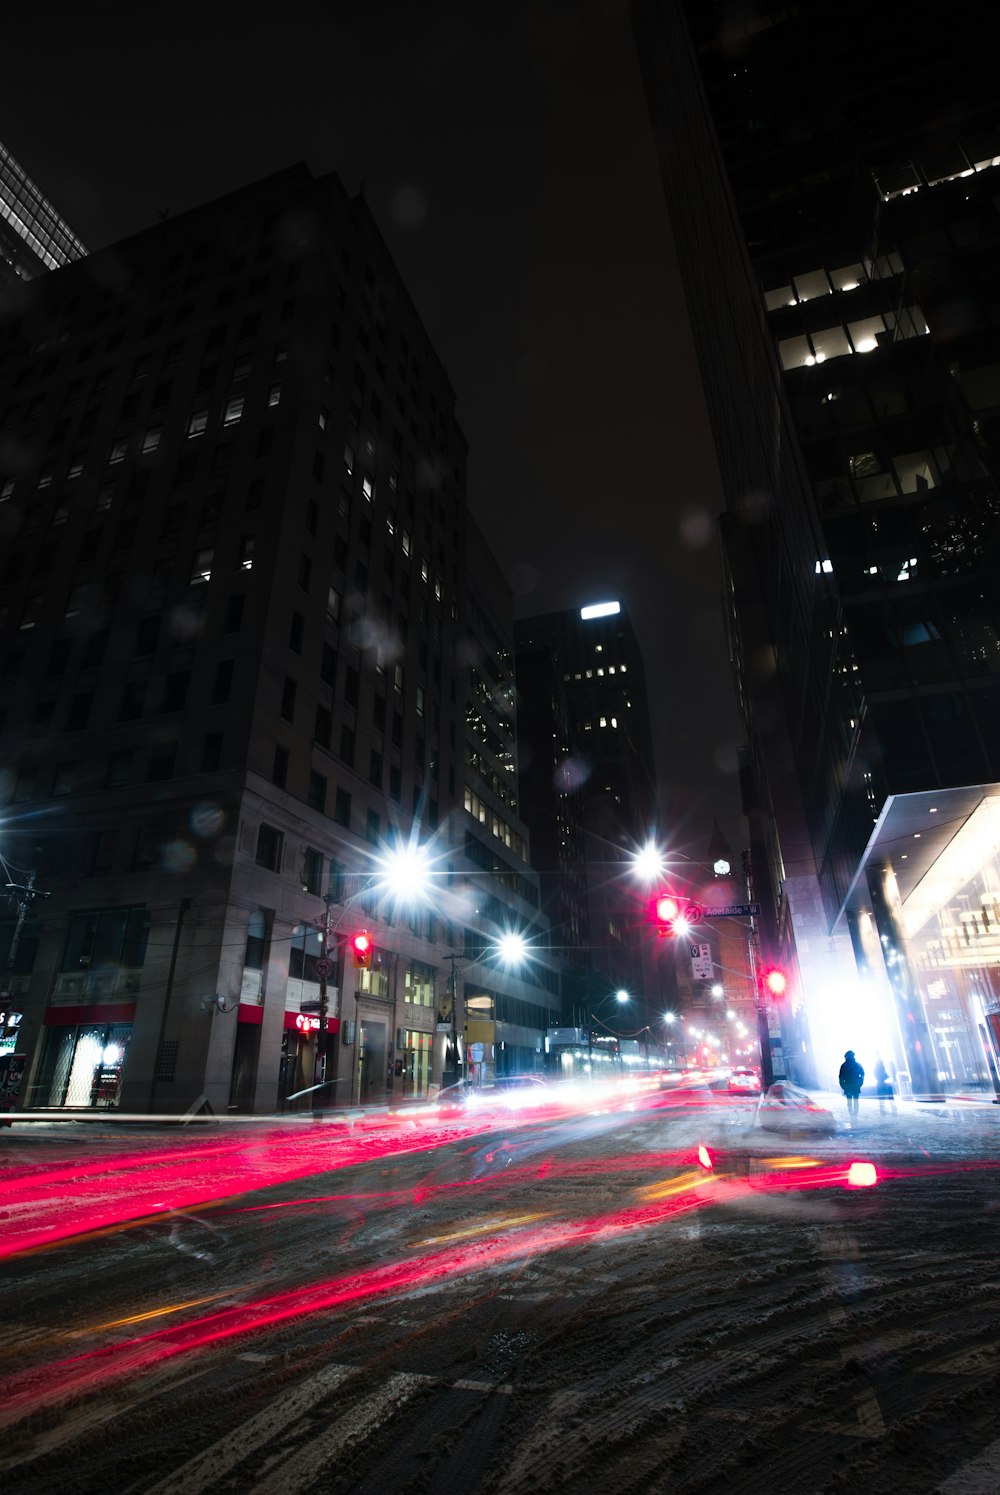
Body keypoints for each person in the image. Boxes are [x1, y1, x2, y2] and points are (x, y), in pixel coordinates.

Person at [839, 1049, 865, 1118]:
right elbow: (862, 1074)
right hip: (854, 1086)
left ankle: (853, 1115)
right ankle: (854, 1115)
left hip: (850, 1086)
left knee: (850, 1101)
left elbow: (841, 1077)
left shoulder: (844, 1066)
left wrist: (843, 1085)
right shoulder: (857, 1065)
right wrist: (860, 1082)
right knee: (854, 1101)